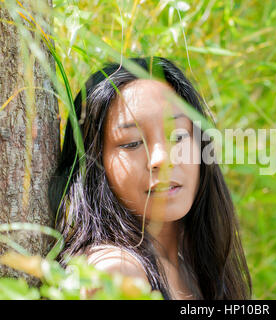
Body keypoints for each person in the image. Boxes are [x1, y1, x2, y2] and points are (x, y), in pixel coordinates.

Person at [48, 57, 252, 300]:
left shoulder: (196, 264)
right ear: (94, 164)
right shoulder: (115, 274)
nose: (162, 158)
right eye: (133, 143)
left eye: (178, 136)